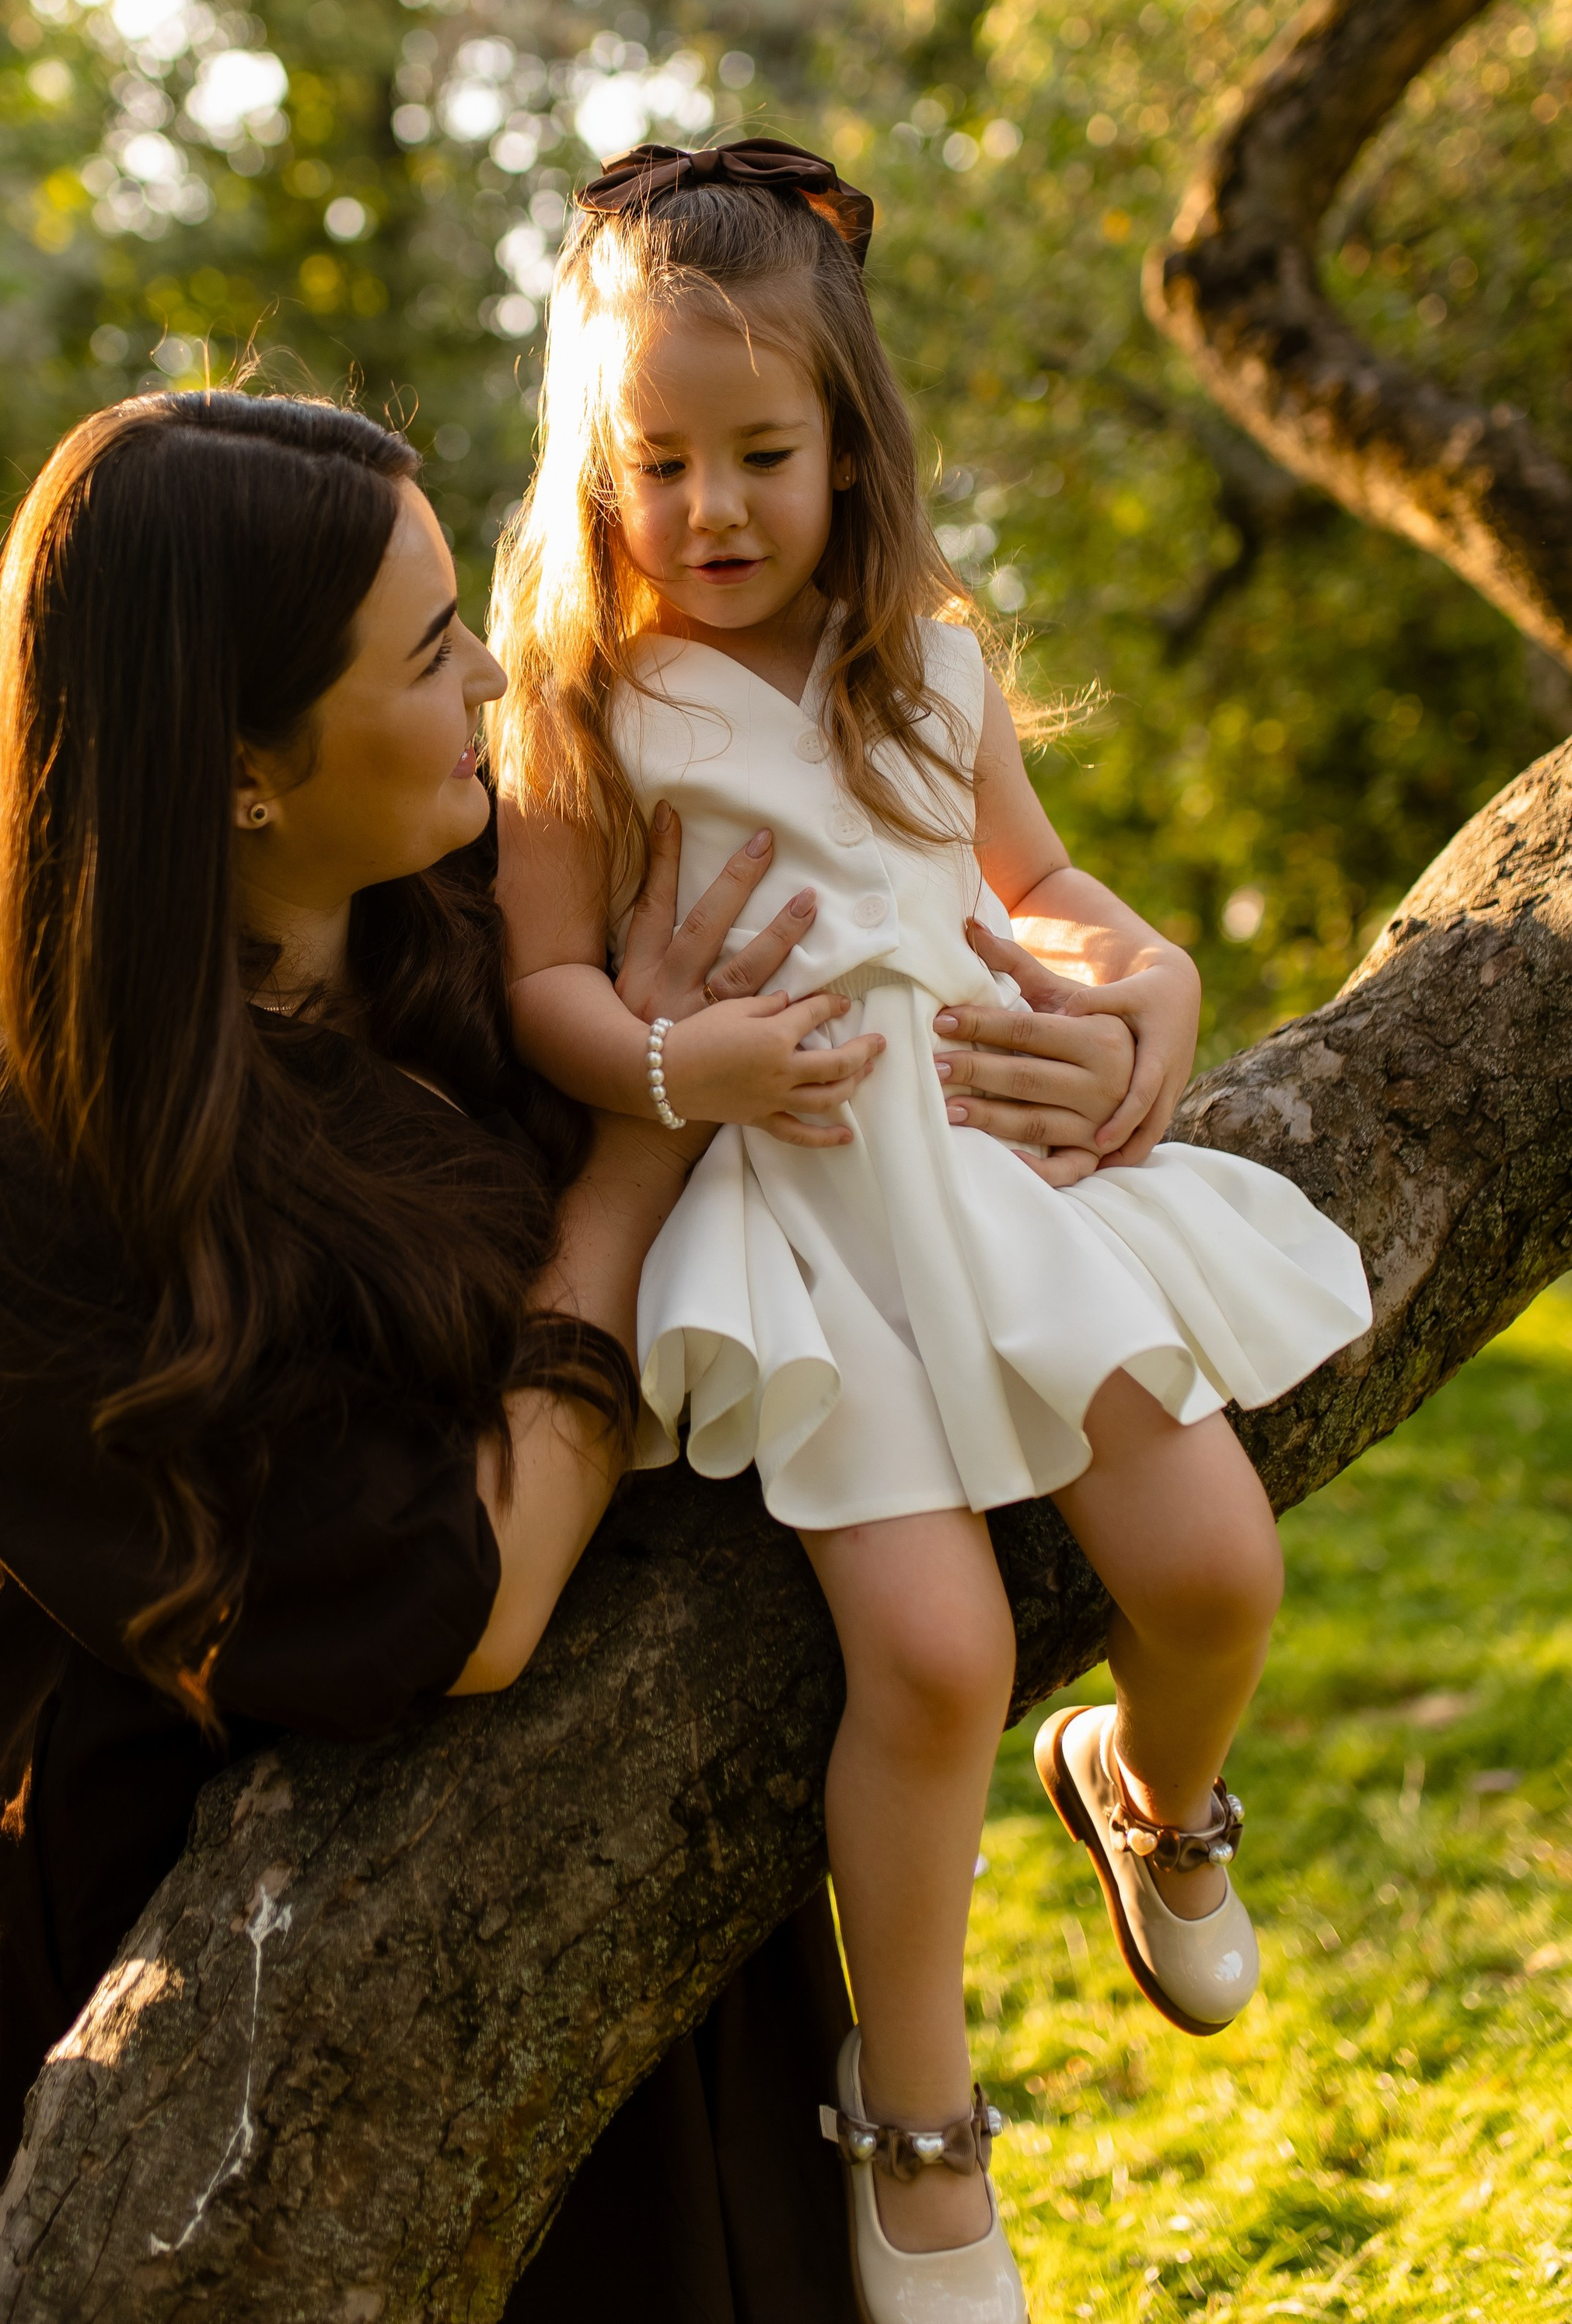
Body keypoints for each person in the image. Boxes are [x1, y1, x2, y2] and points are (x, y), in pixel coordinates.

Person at [0, 384, 983, 2320]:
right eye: (425, 649)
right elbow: (460, 1602)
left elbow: (887, 980)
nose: (494, 668)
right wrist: (630, 1171)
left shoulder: (476, 918)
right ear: (237, 771)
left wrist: (1107, 1004)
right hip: (230, 1964)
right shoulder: (34, 1169)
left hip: (617, 1832)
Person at [490, 138, 1375, 2324]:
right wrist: (691, 1072)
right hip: (794, 1220)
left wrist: (1142, 980)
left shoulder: (930, 677)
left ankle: (1153, 1801)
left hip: (989, 1182)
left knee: (1215, 1566)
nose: (709, 510)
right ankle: (920, 2114)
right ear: (593, 476)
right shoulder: (592, 713)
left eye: (762, 454)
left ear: (852, 447)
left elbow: (1044, 899)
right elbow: (547, 991)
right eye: (656, 463)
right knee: (941, 1655)